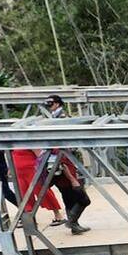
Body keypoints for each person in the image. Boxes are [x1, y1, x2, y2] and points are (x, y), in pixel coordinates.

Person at [44, 95, 92, 234]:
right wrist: (72, 178)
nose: (49, 105)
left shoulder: (60, 119)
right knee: (82, 199)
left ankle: (73, 224)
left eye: (51, 103)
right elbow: (62, 157)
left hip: (62, 169)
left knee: (69, 198)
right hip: (64, 171)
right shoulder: (55, 121)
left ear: (58, 103)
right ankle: (72, 222)